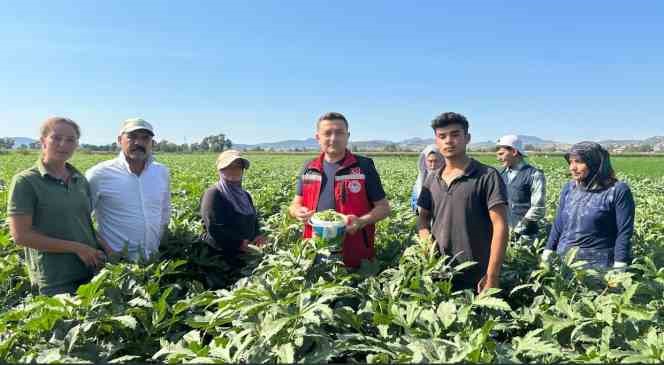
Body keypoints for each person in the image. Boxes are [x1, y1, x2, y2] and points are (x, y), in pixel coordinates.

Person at [7, 117, 112, 295]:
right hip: (55, 279)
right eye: (56, 138)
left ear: (76, 145)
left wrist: (105, 246)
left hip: (90, 270)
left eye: (70, 140)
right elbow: (21, 236)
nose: (63, 144)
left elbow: (83, 223)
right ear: (42, 141)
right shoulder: (26, 181)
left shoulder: (79, 179)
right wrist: (77, 248)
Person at [417, 112, 509, 293]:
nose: (448, 141)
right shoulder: (432, 179)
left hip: (477, 276)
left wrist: (492, 275)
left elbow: (501, 226)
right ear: (437, 141)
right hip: (439, 273)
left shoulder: (487, 176)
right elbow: (423, 220)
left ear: (467, 138)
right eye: (442, 136)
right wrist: (428, 243)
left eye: (455, 134)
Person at [288, 112, 391, 268]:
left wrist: (361, 222)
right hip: (315, 251)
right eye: (327, 133)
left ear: (347, 136)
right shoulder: (309, 168)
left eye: (339, 133)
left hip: (355, 252)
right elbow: (295, 204)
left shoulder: (363, 166)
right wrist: (297, 212)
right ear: (318, 137)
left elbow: (384, 208)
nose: (333, 138)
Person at [85, 118, 171, 262]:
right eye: (132, 137)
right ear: (120, 140)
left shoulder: (161, 172)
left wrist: (160, 243)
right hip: (117, 263)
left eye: (145, 138)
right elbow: (81, 219)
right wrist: (108, 250)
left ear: (152, 143)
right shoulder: (99, 174)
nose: (139, 143)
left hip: (154, 259)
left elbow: (164, 210)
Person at [543, 142, 635, 269]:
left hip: (598, 264)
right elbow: (559, 224)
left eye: (579, 162)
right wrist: (549, 249)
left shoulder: (617, 190)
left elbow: (624, 231)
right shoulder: (569, 188)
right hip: (564, 260)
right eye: (571, 162)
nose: (572, 167)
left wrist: (620, 263)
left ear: (594, 163)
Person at [200, 150, 266, 261]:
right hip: (221, 257)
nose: (234, 170)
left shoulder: (245, 195)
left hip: (246, 253)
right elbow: (214, 228)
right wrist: (238, 243)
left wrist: (257, 235)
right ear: (221, 170)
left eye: (238, 167)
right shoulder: (213, 194)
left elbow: (253, 220)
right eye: (229, 166)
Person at [495, 135, 546, 238]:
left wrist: (517, 230)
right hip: (505, 233)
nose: (498, 158)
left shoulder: (534, 175)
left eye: (501, 154)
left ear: (514, 152)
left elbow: (538, 208)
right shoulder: (501, 174)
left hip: (526, 236)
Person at [410, 144, 444, 213]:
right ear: (425, 162)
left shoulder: (448, 179)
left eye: (436, 161)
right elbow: (414, 203)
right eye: (430, 161)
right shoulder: (420, 182)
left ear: (442, 161)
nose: (433, 165)